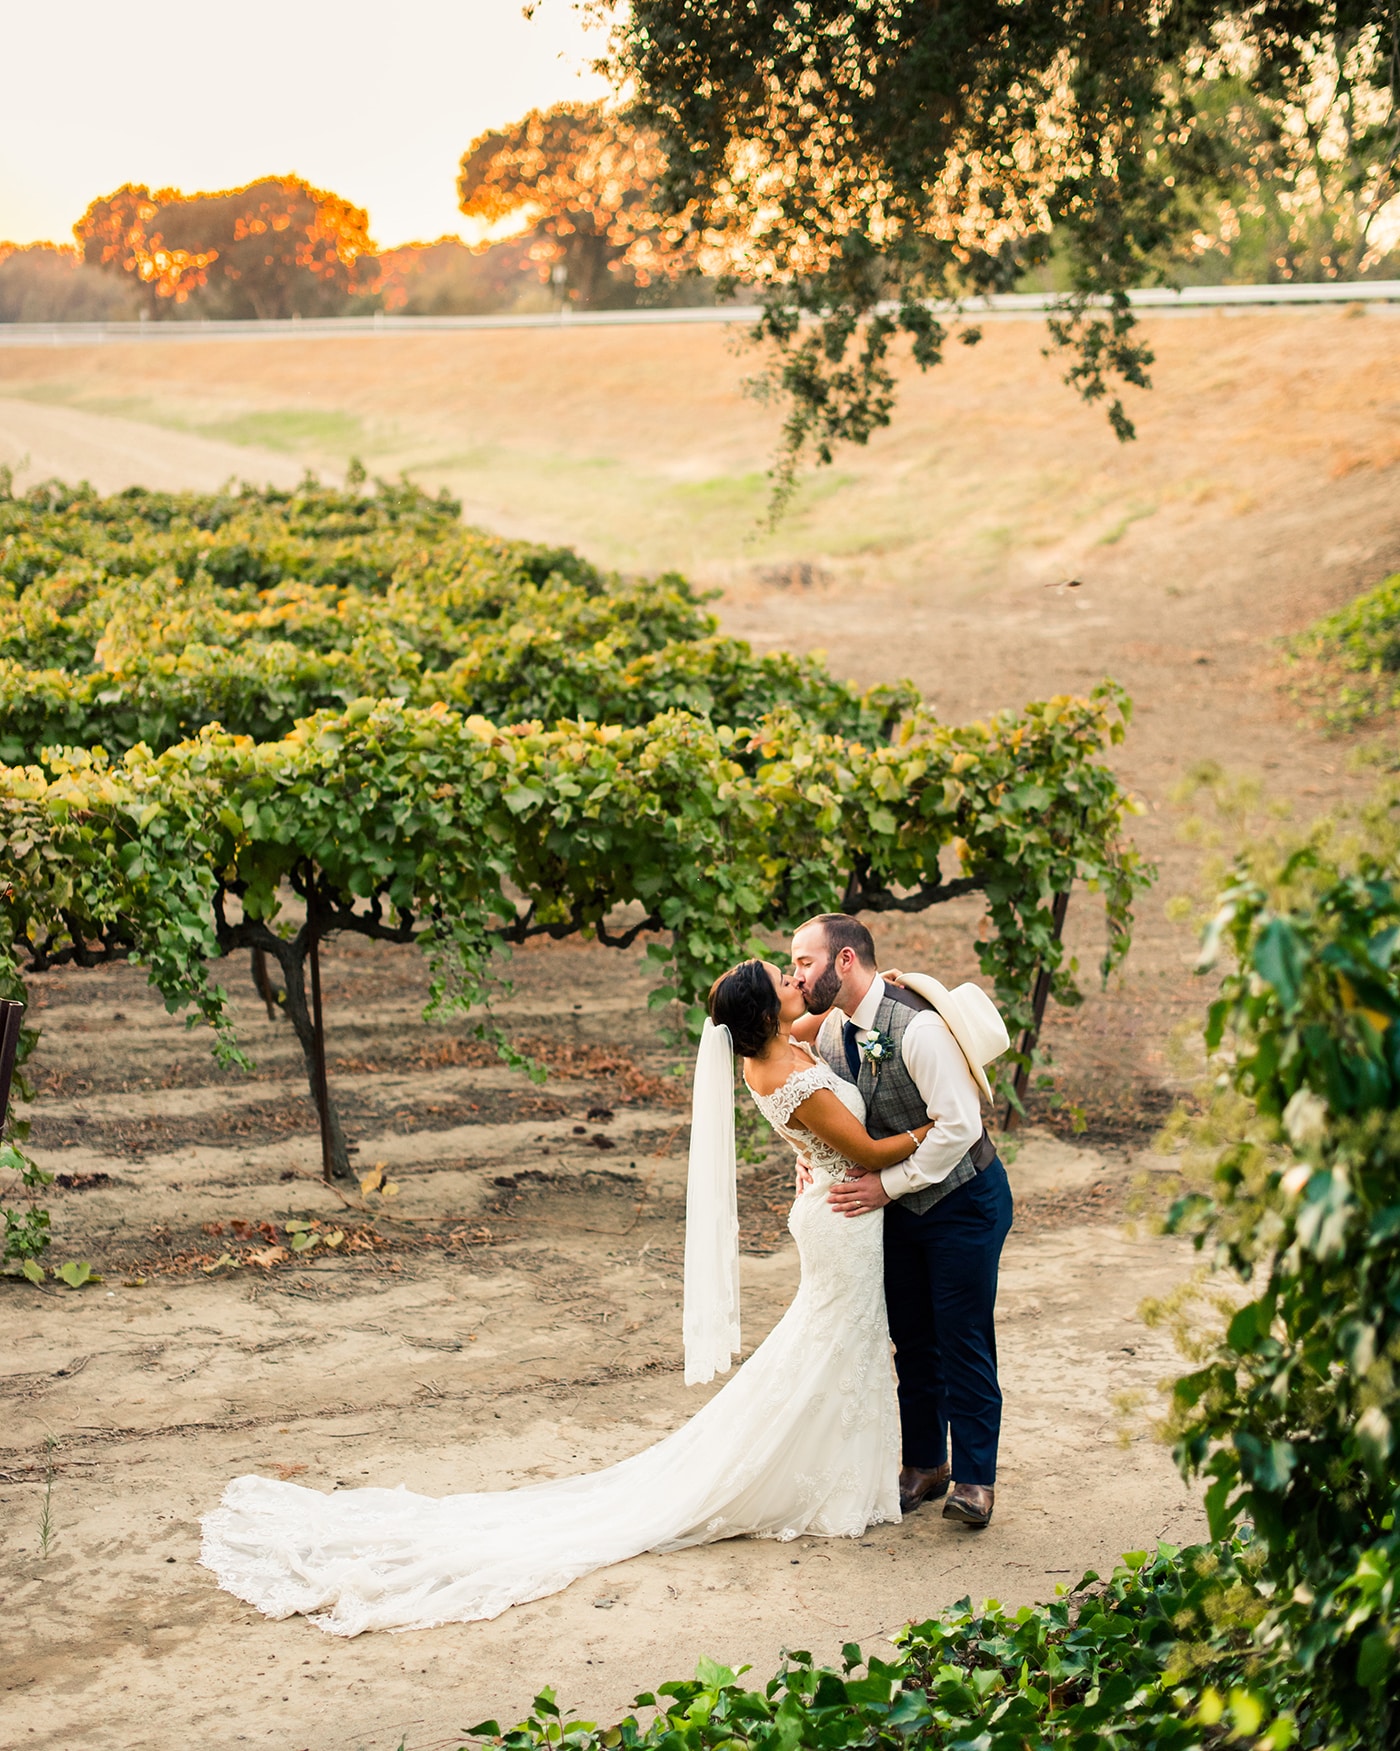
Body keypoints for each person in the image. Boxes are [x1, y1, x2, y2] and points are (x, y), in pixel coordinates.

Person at [200, 960, 934, 1636]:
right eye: (782, 977)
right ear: (765, 1011)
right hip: (846, 1215)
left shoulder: (777, 1041)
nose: (792, 977)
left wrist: (885, 988)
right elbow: (868, 1152)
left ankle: (841, 1473)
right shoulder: (783, 1069)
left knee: (838, 1344)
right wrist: (940, 1129)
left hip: (838, 1211)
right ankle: (828, 1482)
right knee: (837, 1341)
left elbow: (834, 1019)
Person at [789, 914, 1013, 1529]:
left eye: (804, 963)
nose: (796, 975)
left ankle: (974, 1479)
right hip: (900, 1211)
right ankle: (924, 1463)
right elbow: (834, 1115)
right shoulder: (833, 1031)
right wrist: (810, 1159)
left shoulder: (917, 1029)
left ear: (843, 962)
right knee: (911, 1337)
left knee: (961, 1337)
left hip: (964, 1201)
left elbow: (960, 1126)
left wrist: (887, 1187)